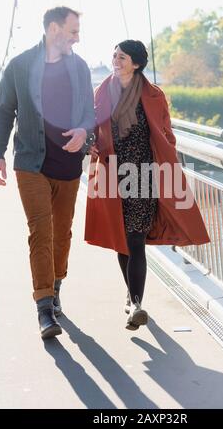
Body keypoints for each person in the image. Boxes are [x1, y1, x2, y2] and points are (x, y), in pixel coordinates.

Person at [84, 40, 210, 331]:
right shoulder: (102, 92)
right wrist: (90, 145)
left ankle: (137, 304)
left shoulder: (153, 95)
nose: (116, 60)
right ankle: (131, 297)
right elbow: (92, 126)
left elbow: (166, 132)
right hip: (111, 174)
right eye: (114, 55)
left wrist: (166, 160)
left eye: (122, 57)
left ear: (136, 64)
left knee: (136, 239)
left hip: (143, 176)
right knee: (121, 240)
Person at [0, 6, 95, 340]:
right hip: (30, 163)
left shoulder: (79, 67)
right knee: (41, 230)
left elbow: (89, 113)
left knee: (61, 233)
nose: (77, 38)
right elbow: (5, 110)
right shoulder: (20, 66)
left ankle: (55, 286)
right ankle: (44, 309)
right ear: (54, 29)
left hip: (68, 167)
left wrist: (83, 132)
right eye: (73, 31)